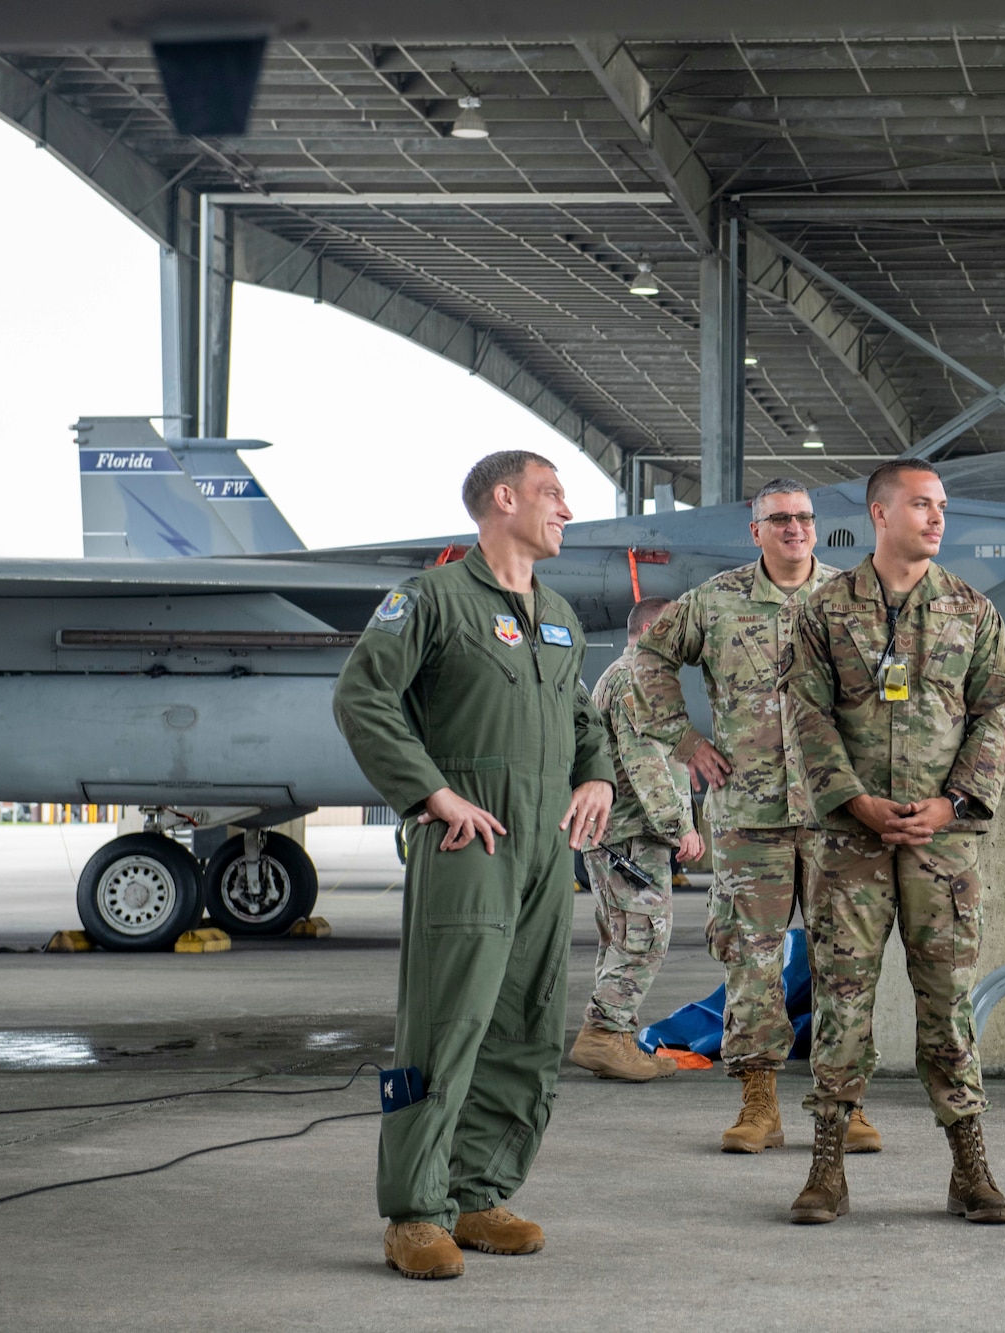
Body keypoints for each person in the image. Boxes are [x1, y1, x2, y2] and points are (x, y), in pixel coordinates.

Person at [333, 449, 615, 1282]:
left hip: (543, 851)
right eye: (551, 493)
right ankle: (415, 1212)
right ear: (503, 498)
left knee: (525, 1025)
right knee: (444, 1024)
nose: (565, 508)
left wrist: (595, 771)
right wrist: (431, 795)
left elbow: (580, 714)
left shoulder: (556, 613)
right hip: (469, 842)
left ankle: (481, 1191)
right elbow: (362, 697)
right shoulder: (431, 599)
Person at [781, 459, 1005, 1226]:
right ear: (880, 513)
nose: (938, 516)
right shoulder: (824, 611)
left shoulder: (970, 609)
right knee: (842, 999)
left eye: (942, 505)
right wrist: (853, 799)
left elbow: (994, 712)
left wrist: (953, 804)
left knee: (948, 1005)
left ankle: (970, 1166)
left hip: (938, 847)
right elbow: (804, 713)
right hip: (852, 843)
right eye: (922, 504)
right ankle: (827, 1165)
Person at [631, 478, 883, 1154]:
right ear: (756, 530)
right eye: (780, 519)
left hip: (837, 813)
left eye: (803, 517)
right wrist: (683, 739)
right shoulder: (714, 601)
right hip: (751, 813)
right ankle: (758, 1102)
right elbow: (647, 657)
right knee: (752, 961)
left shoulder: (852, 598)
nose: (795, 528)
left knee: (845, 961)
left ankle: (844, 1104)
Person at [568, 596, 706, 1082]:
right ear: (659, 626)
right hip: (631, 835)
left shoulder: (624, 676)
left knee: (623, 937)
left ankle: (616, 1035)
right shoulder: (634, 680)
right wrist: (681, 827)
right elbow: (641, 764)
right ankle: (604, 1035)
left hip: (617, 833)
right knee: (645, 937)